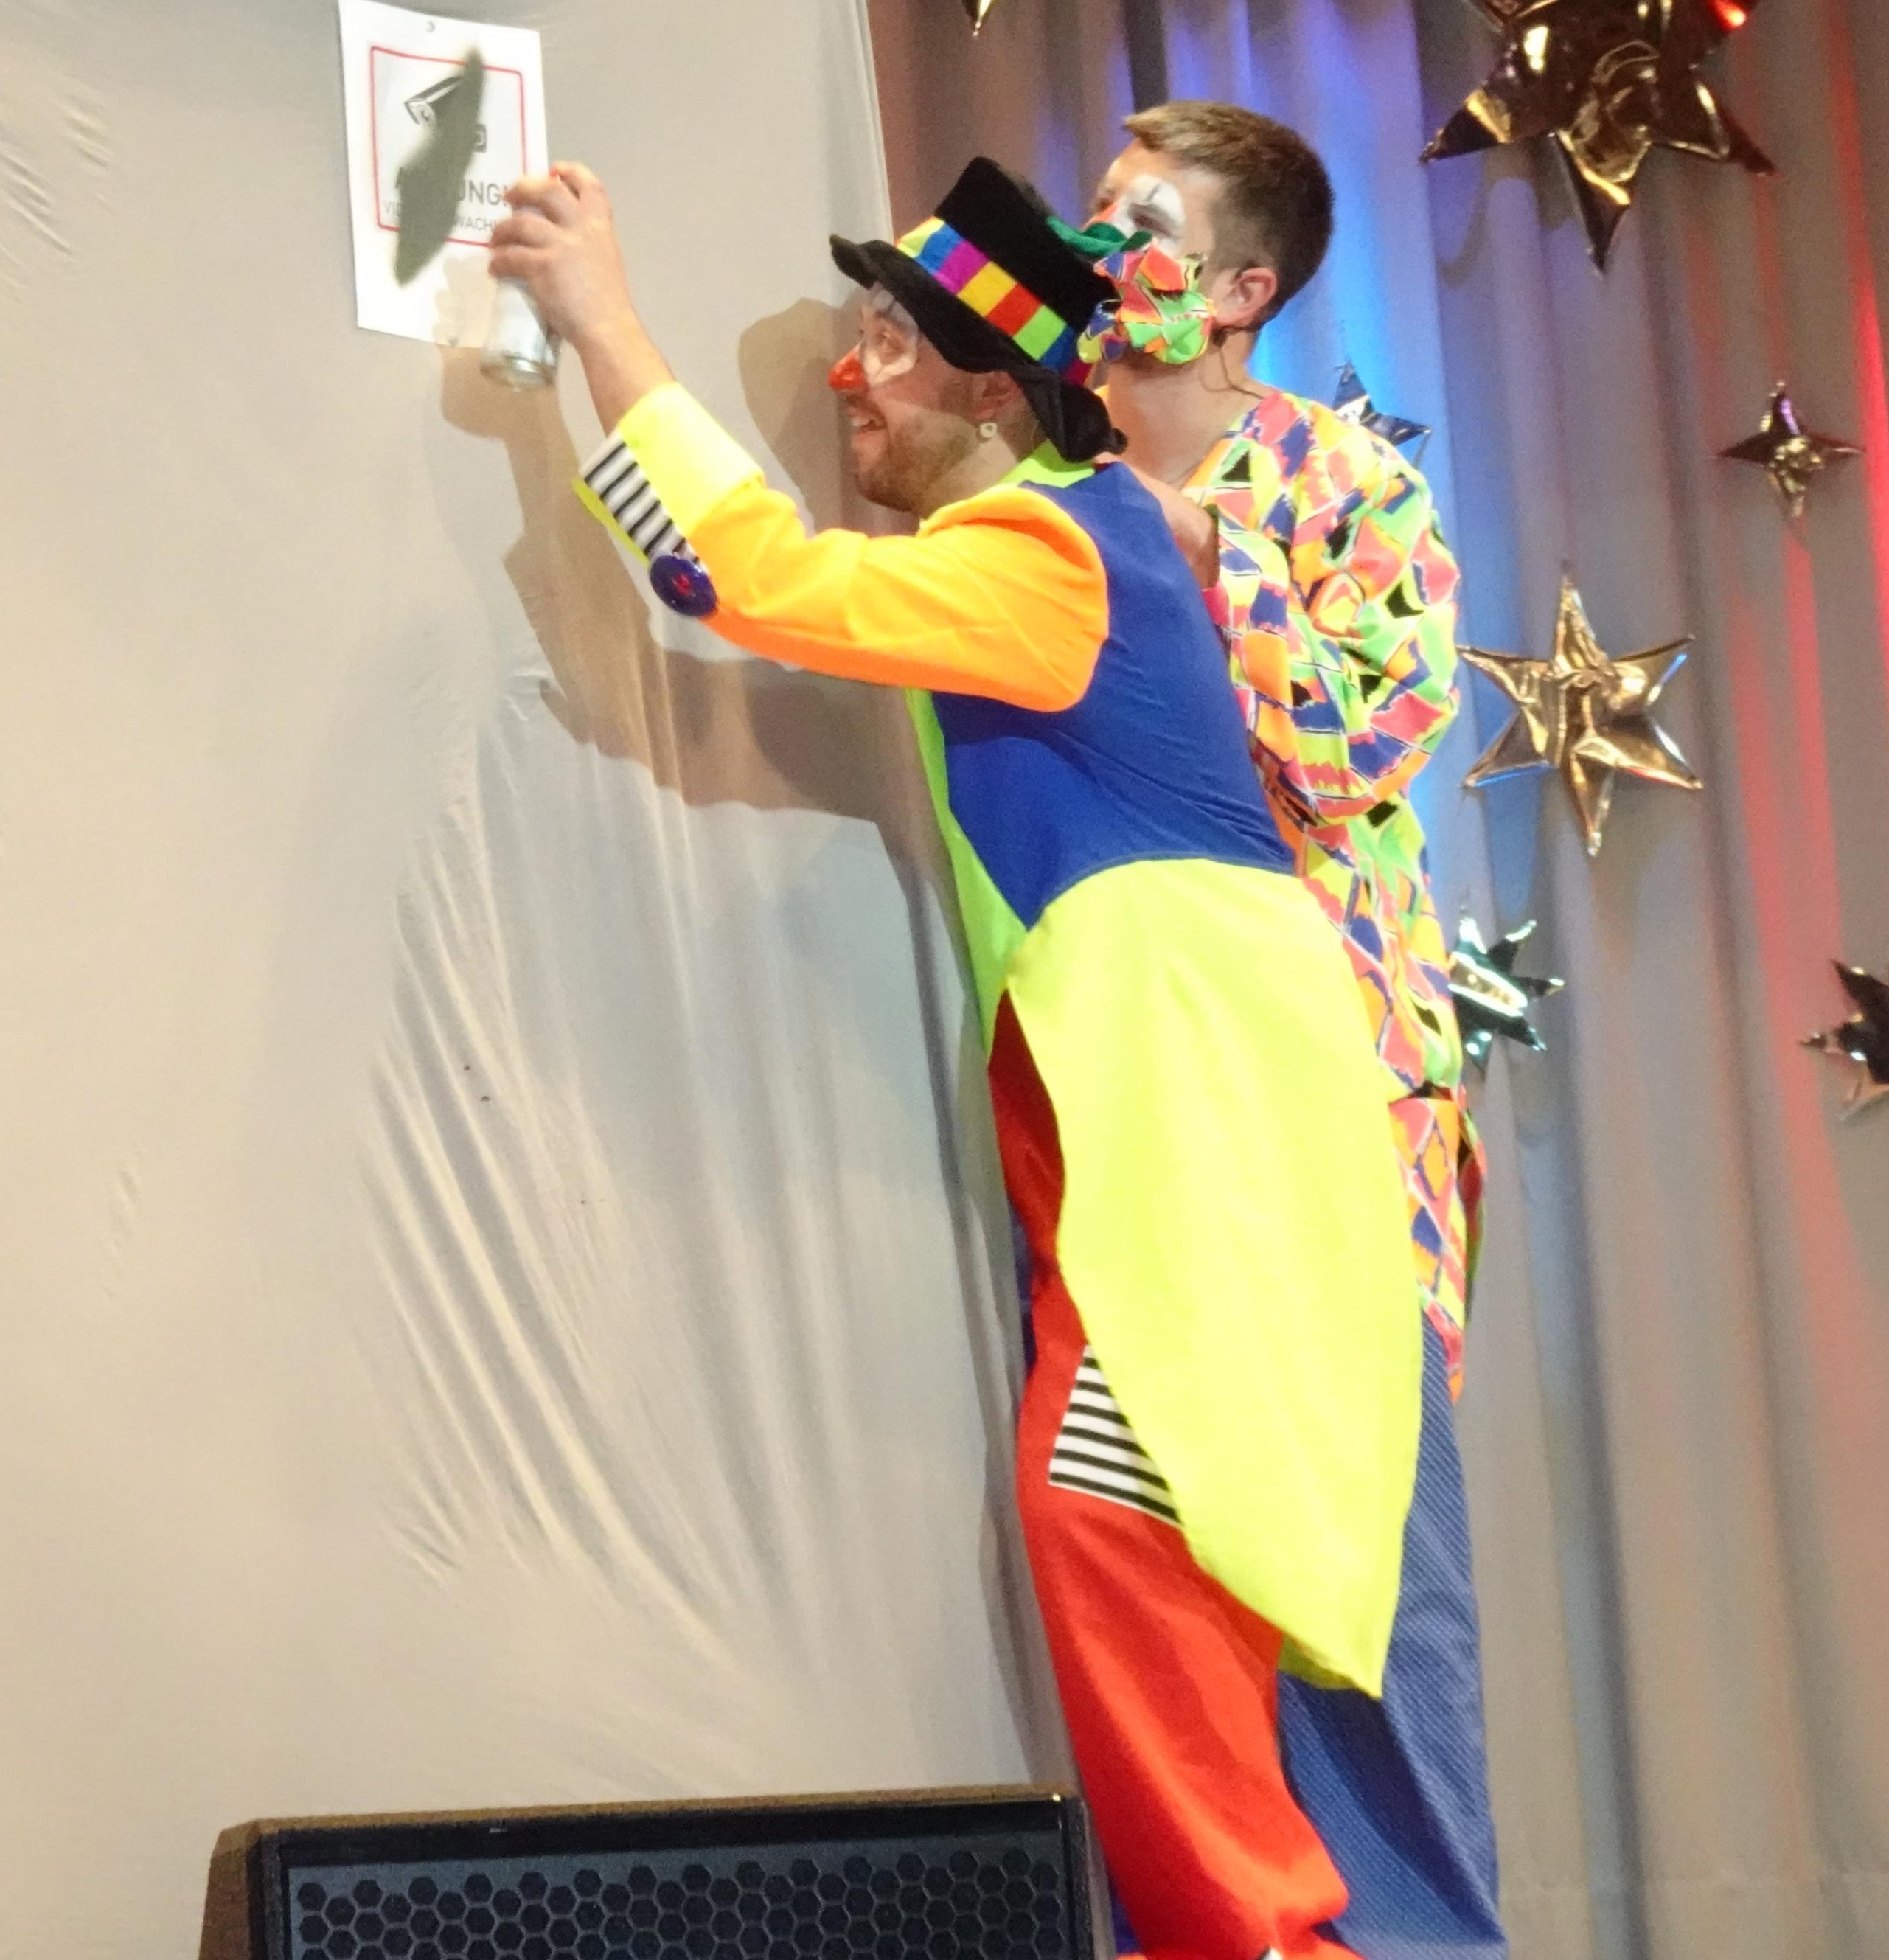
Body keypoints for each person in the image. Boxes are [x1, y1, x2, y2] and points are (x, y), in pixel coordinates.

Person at [490, 155, 1427, 1960]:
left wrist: (601, 323)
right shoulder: (1068, 544)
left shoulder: (1047, 549)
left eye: (892, 345)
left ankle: (1260, 1938)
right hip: (1172, 1080)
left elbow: (740, 576)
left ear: (995, 392)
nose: (850, 375)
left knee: (1117, 1516)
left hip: (1198, 1088)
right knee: (1141, 1526)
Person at [1083, 102, 1503, 1959]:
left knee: (1360, 1555)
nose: (1103, 246)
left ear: (1239, 290)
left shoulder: (1337, 480)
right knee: (1148, 1549)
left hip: (1329, 1087)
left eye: (1141, 222)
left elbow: (1361, 737)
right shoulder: (1048, 469)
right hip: (1125, 1073)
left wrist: (1194, 544)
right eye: (1095, 211)